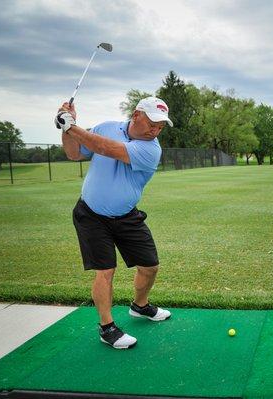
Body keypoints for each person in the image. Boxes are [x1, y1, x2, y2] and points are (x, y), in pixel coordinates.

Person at [55, 97, 173, 349]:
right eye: (153, 123)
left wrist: (72, 126)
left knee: (150, 266)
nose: (156, 130)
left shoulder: (152, 149)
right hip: (91, 214)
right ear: (136, 114)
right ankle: (107, 327)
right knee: (105, 270)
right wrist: (66, 128)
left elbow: (108, 149)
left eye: (161, 126)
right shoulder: (106, 126)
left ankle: (140, 306)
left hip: (126, 214)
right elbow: (74, 153)